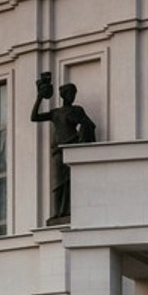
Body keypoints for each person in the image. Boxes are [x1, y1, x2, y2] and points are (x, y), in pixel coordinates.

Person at [31, 76, 97, 222]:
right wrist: (39, 97)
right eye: (70, 93)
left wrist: (81, 138)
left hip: (71, 148)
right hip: (57, 151)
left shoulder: (77, 110)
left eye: (74, 94)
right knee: (57, 183)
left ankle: (67, 211)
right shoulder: (56, 112)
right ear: (64, 95)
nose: (72, 96)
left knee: (70, 183)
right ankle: (57, 213)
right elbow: (34, 117)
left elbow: (89, 125)